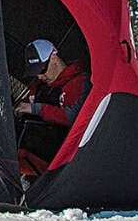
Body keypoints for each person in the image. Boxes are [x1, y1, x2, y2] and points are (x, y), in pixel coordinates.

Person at [14, 39, 92, 178]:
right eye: (35, 72)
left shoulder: (80, 81)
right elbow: (26, 105)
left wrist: (36, 109)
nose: (40, 76)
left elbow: (74, 117)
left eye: (42, 70)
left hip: (64, 167)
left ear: (54, 58)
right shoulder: (39, 86)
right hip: (28, 162)